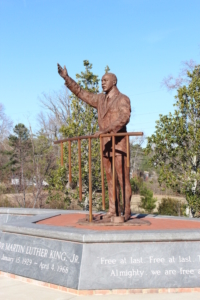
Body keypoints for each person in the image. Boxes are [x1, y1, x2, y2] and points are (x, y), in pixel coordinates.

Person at [57, 64, 132, 221]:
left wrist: (107, 130)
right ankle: (112, 209)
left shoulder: (123, 99)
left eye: (105, 80)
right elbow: (81, 93)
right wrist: (66, 78)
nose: (102, 82)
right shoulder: (100, 99)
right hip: (105, 145)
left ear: (114, 82)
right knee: (110, 178)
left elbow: (124, 118)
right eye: (101, 80)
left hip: (118, 144)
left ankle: (126, 211)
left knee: (122, 178)